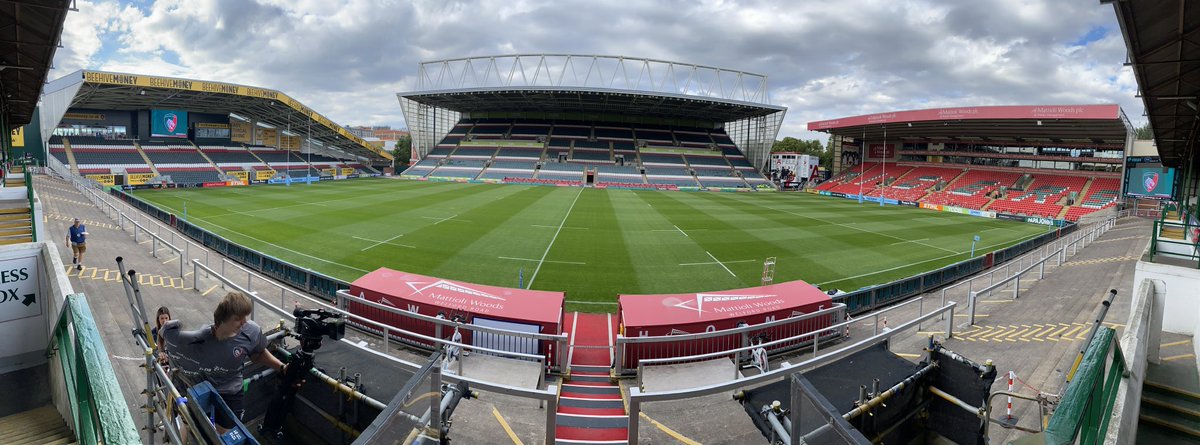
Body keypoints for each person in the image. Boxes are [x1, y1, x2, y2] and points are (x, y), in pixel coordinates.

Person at [161, 291, 286, 434]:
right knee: (191, 426)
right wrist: (162, 349)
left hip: (231, 391)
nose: (244, 322)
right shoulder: (199, 339)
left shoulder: (250, 331)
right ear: (221, 320)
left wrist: (282, 367)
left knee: (226, 434)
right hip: (202, 388)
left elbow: (258, 354)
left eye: (246, 317)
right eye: (238, 319)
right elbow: (166, 334)